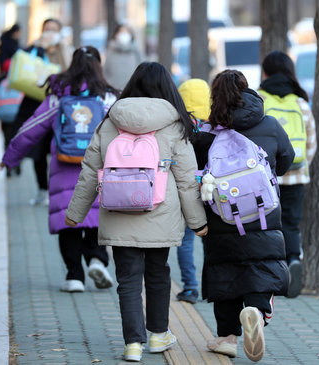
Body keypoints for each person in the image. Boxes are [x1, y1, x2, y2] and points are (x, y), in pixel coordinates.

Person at [65, 62, 208, 362]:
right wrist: (198, 223)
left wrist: (75, 213)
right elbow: (185, 180)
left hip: (118, 211)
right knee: (158, 275)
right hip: (159, 213)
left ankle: (132, 344)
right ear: (167, 88)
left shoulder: (110, 121)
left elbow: (90, 171)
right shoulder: (174, 124)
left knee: (127, 279)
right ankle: (158, 336)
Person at [192, 70, 294, 362]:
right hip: (263, 215)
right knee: (262, 269)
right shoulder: (271, 125)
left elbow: (195, 173)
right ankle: (258, 313)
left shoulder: (207, 133)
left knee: (224, 273)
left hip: (222, 217)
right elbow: (286, 161)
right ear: (247, 92)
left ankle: (227, 337)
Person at [0, 46, 117, 293]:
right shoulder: (107, 98)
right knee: (97, 217)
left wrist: (10, 157)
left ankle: (74, 276)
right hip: (99, 168)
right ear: (98, 66)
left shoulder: (58, 96)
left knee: (69, 220)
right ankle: (97, 259)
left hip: (65, 165)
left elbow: (32, 129)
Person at [258, 51, 317, 298]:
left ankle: (273, 274)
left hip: (265, 177)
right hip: (296, 176)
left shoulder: (259, 100)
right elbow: (311, 143)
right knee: (291, 224)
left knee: (268, 225)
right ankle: (293, 258)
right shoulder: (301, 103)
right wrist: (300, 167)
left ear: (265, 72)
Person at [10, 18, 73, 206]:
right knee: (38, 153)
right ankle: (42, 189)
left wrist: (61, 48)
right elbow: (21, 64)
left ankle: (58, 191)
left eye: (54, 30)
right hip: (35, 107)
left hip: (60, 110)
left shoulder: (65, 50)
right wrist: (35, 46)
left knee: (58, 153)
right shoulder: (34, 50)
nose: (50, 33)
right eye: (47, 29)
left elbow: (71, 71)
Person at [175, 78, 212, 304]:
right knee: (210, 243)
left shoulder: (180, 127)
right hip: (211, 192)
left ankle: (190, 287)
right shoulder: (214, 126)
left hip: (187, 192)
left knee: (186, 241)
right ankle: (210, 287)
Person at [0, 23, 22, 157]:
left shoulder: (5, 43)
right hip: (14, 87)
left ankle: (9, 158)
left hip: (4, 87)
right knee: (16, 130)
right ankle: (14, 160)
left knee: (7, 129)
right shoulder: (12, 45)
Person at [103, 24, 142, 90]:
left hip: (133, 91)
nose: (124, 34)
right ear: (116, 34)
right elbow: (105, 72)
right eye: (121, 31)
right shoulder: (110, 51)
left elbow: (142, 71)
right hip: (114, 91)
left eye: (127, 32)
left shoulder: (136, 52)